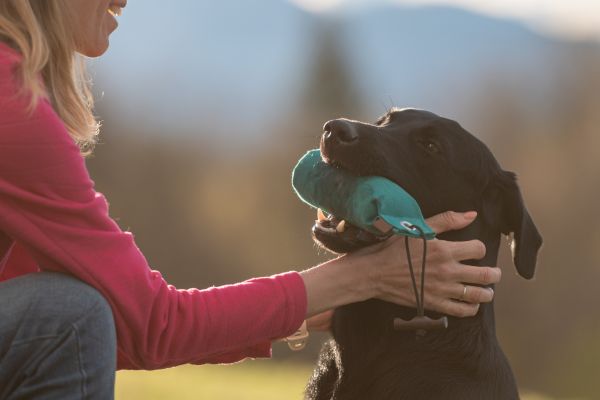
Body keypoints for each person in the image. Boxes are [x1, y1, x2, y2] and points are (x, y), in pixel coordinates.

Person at [0, 1, 501, 398]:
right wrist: (364, 275)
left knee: (73, 313)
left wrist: (315, 304)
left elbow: (125, 330)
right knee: (67, 311)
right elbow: (150, 324)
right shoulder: (14, 109)